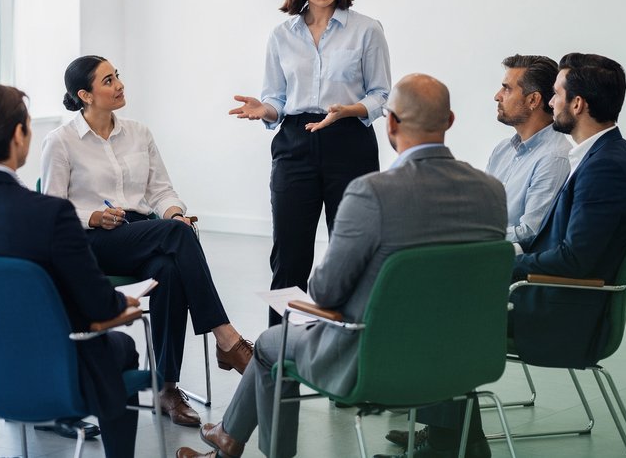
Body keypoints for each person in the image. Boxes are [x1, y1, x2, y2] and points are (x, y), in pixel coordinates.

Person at [177, 73, 506, 458]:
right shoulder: (490, 191)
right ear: (450, 121)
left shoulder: (373, 192)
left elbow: (325, 292)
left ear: (392, 122)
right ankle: (228, 440)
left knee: (270, 343)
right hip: (463, 356)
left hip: (375, 360)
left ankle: (245, 445)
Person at [383, 53, 626, 458]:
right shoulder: (597, 158)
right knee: (443, 296)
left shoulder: (605, 167)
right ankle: (456, 442)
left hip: (567, 313)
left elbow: (574, 260)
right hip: (556, 298)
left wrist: (497, 263)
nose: (552, 103)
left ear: (577, 104)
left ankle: (447, 443)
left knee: (441, 311)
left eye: (558, 95)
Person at [0, 84, 141, 458]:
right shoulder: (49, 213)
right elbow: (98, 304)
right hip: (47, 374)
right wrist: (123, 301)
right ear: (20, 134)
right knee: (122, 347)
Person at [41, 55, 254, 428]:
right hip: (94, 242)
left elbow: (161, 191)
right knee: (175, 236)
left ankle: (166, 387)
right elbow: (53, 209)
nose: (119, 85)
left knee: (169, 267)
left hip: (142, 233)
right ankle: (227, 337)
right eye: (108, 81)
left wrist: (173, 212)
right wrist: (90, 215)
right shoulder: (60, 142)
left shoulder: (139, 132)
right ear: (84, 95)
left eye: (117, 76)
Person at [229, 0, 391, 325]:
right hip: (295, 142)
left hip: (349, 140)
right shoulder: (281, 36)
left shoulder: (367, 30)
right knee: (289, 255)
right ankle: (278, 358)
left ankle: (347, 353)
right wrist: (263, 109)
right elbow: (277, 99)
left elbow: (381, 94)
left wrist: (347, 111)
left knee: (351, 251)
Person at [485, 54, 570, 247]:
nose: (497, 96)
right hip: (484, 252)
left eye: (507, 89)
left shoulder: (555, 157)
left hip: (508, 263)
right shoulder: (502, 150)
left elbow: (531, 233)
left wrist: (477, 238)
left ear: (533, 100)